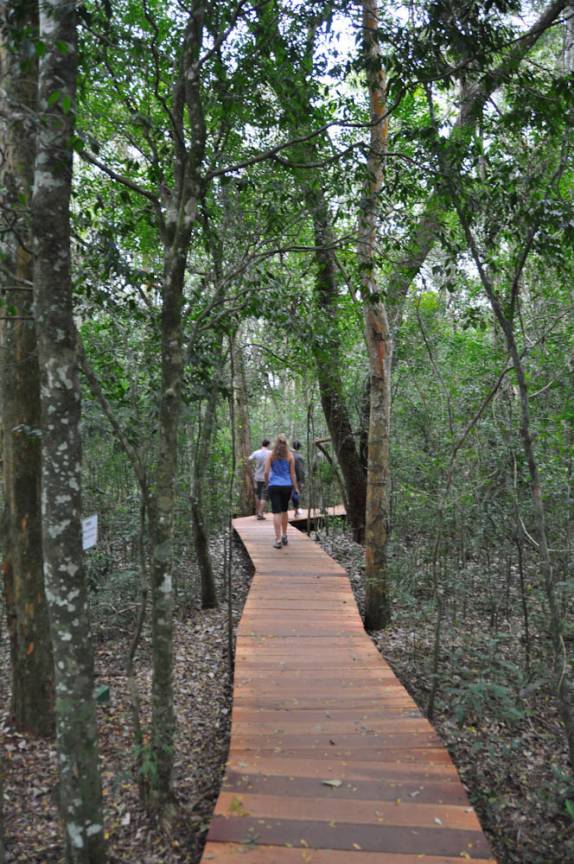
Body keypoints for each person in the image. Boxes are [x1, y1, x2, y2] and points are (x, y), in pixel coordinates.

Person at [264, 434, 299, 548]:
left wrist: (266, 483)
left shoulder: (270, 455)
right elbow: (292, 474)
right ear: (286, 444)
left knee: (276, 512)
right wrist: (296, 487)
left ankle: (278, 540)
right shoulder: (290, 456)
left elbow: (266, 472)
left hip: (274, 485)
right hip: (287, 486)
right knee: (284, 511)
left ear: (276, 443)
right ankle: (284, 535)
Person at [248, 438, 271, 520]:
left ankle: (258, 512)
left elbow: (249, 459)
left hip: (257, 477)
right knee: (264, 496)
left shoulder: (256, 452)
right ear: (268, 445)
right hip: (267, 477)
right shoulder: (270, 453)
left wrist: (255, 466)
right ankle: (260, 514)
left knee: (258, 495)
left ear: (262, 444)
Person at [290, 440, 305, 516]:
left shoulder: (288, 455)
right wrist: (302, 481)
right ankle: (296, 511)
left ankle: (295, 511)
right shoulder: (299, 457)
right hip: (296, 478)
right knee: (296, 494)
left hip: (287, 478)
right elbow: (301, 470)